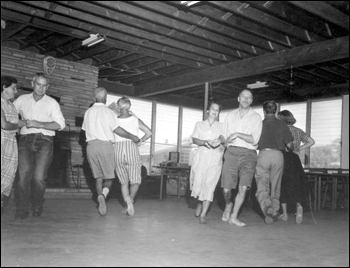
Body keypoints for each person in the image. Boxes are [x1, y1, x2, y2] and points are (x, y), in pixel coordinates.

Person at [13, 73, 66, 219]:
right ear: (32, 84)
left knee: (39, 177)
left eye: (44, 85)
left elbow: (60, 124)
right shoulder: (22, 99)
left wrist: (39, 124)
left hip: (45, 141)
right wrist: (24, 123)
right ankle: (22, 208)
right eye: (38, 84)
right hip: (24, 140)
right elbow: (9, 117)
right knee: (23, 176)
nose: (41, 88)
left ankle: (37, 204)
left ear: (47, 87)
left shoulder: (52, 103)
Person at [82, 89, 140, 216]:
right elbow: (117, 129)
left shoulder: (87, 112)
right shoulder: (108, 112)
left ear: (94, 97)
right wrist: (132, 136)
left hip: (91, 146)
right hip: (105, 146)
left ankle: (100, 201)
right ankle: (103, 194)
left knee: (98, 177)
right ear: (106, 97)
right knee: (109, 178)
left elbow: (85, 129)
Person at [221, 90, 263, 227]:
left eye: (249, 97)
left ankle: (234, 217)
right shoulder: (229, 116)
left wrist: (238, 134)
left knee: (243, 188)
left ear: (251, 101)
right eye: (243, 97)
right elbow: (224, 136)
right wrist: (220, 141)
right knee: (226, 189)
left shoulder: (256, 117)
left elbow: (254, 139)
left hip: (249, 154)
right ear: (238, 98)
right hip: (231, 152)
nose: (246, 99)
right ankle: (228, 204)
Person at [255, 101, 294, 224]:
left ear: (264, 111)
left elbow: (253, 142)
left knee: (262, 184)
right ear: (276, 111)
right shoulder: (282, 125)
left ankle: (267, 207)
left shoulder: (258, 125)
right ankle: (275, 211)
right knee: (276, 185)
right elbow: (290, 146)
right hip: (278, 155)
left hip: (263, 155)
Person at [113, 96, 152, 216]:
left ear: (119, 107)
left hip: (118, 149)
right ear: (129, 106)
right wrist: (140, 141)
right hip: (131, 148)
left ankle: (126, 203)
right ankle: (130, 200)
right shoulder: (135, 119)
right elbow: (149, 132)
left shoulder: (114, 120)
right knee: (135, 180)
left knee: (123, 182)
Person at [278, 110, 315, 224]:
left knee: (282, 184)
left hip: (283, 158)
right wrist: (299, 148)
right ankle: (298, 206)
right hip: (295, 159)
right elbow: (311, 141)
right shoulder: (298, 130)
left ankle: (284, 214)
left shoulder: (281, 130)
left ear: (282, 119)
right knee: (296, 184)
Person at [190, 102, 225, 224]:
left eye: (217, 110)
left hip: (215, 158)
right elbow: (194, 139)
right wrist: (204, 142)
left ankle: (203, 214)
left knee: (209, 185)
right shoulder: (199, 124)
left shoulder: (222, 125)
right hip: (201, 157)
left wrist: (220, 140)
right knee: (199, 184)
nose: (215, 111)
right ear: (208, 111)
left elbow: (224, 137)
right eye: (213, 109)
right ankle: (200, 203)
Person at [1, 76, 26, 214]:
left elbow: (15, 124)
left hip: (10, 144)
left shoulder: (11, 105)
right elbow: (3, 124)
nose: (15, 91)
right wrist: (18, 125)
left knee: (8, 178)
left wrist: (25, 123)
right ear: (4, 87)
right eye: (13, 87)